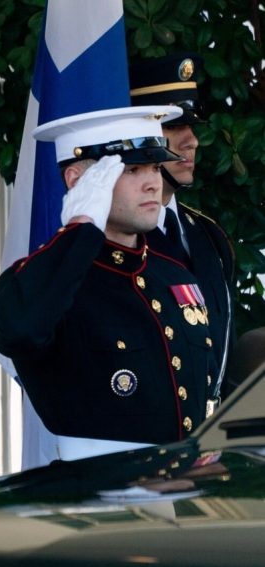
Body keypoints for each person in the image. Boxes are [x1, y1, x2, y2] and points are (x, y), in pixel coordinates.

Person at [0, 106, 221, 459]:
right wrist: (81, 226)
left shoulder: (172, 274)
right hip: (100, 497)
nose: (153, 182)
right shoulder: (49, 284)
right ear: (78, 181)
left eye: (155, 167)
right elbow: (18, 330)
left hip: (187, 491)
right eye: (131, 169)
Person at [130, 53, 236, 398]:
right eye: (173, 126)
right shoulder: (114, 239)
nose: (192, 140)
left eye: (191, 127)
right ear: (138, 135)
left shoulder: (210, 236)